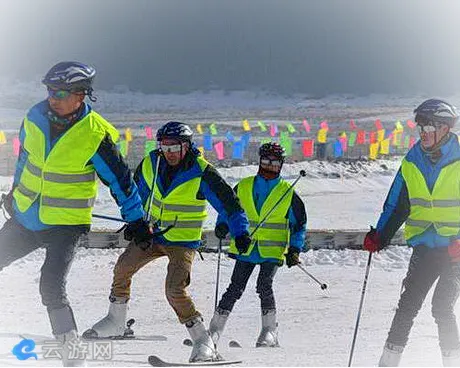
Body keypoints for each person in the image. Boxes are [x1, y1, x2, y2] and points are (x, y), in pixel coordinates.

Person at [0, 61, 150, 366]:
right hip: (27, 215)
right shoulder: (34, 117)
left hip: (65, 225)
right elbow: (24, 161)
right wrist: (15, 194)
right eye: (49, 90)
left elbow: (120, 180)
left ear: (81, 95)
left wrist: (136, 219)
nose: (52, 97)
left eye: (60, 92)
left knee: (50, 284)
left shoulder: (95, 135)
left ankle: (71, 351)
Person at [84, 121, 251, 363]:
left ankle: (203, 341)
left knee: (174, 289)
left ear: (187, 146)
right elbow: (135, 194)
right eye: (165, 147)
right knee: (122, 267)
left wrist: (240, 232)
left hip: (182, 241)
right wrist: (135, 222)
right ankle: (115, 322)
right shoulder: (152, 163)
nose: (169, 153)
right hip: (153, 235)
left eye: (175, 148)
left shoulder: (202, 172)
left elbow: (230, 205)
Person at [363, 99, 460, 367]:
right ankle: (388, 363)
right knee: (407, 305)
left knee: (442, 307)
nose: (424, 132)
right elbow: (396, 205)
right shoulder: (412, 160)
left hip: (455, 249)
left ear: (445, 128)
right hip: (426, 245)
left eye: (429, 126)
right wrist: (379, 236)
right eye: (420, 127)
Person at [209, 142, 307, 348]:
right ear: (259, 162)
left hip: (271, 250)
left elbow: (298, 225)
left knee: (264, 285)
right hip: (246, 247)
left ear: (280, 165)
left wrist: (295, 249)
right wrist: (222, 225)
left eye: (274, 163)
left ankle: (269, 331)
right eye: (265, 162)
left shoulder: (288, 193)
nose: (269, 167)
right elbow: (229, 208)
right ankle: (215, 330)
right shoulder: (243, 186)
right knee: (235, 287)